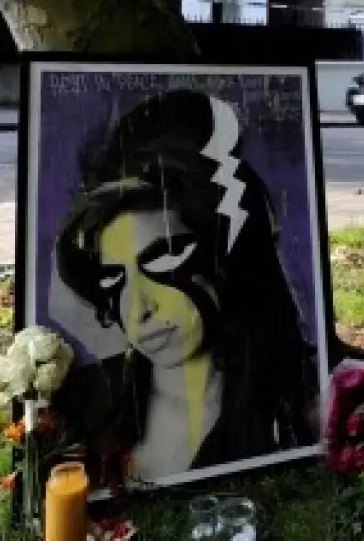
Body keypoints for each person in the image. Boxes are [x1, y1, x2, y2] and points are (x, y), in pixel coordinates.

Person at [51, 90, 320, 485]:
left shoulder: (297, 407)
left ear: (225, 256)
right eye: (114, 278)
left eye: (163, 259)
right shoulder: (82, 401)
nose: (138, 309)